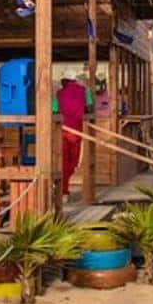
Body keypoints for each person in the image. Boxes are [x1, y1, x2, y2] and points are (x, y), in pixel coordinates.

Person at [52, 68, 94, 208]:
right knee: (74, 162)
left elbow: (54, 110)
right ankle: (63, 189)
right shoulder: (85, 91)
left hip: (62, 131)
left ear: (65, 80)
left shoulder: (59, 93)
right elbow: (89, 108)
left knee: (63, 162)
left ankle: (63, 190)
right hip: (77, 131)